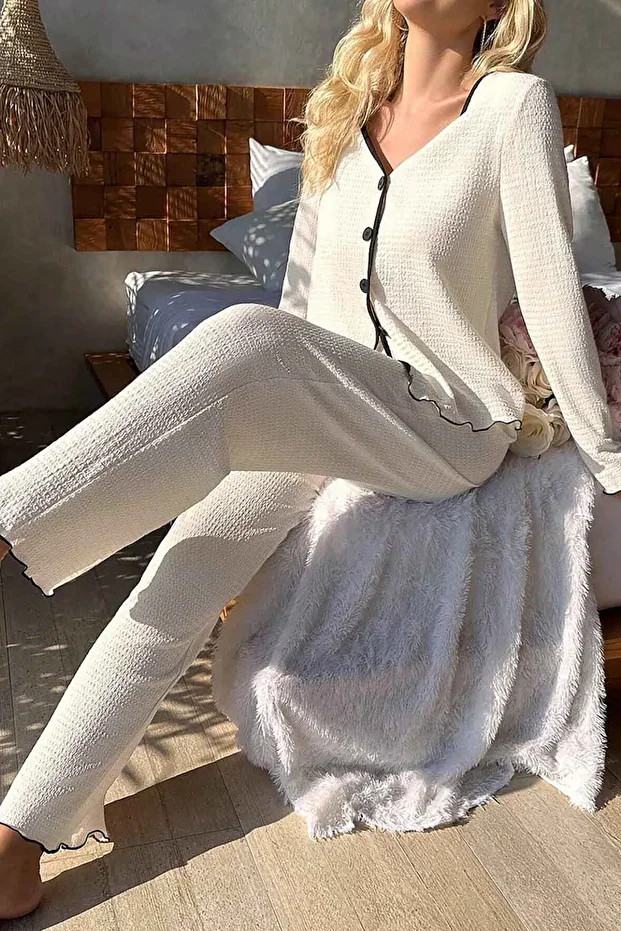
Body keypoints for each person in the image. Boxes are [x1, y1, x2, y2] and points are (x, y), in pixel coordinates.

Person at [1, 0, 620, 918]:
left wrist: (606, 453)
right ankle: (20, 839)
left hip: (444, 426)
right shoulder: (342, 109)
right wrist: (279, 408)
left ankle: (8, 521)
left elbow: (551, 292)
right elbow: (298, 305)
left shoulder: (512, 106)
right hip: (325, 408)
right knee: (179, 575)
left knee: (243, 335)